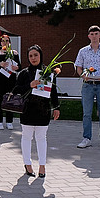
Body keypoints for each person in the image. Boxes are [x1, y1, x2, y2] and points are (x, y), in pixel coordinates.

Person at [14, 45, 60, 178]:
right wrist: (30, 85)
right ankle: (27, 164)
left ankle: (42, 166)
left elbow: (54, 91)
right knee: (27, 137)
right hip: (27, 110)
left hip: (43, 110)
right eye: (30, 56)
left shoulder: (48, 72)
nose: (33, 58)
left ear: (40, 55)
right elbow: (16, 90)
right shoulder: (24, 73)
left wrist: (56, 107)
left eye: (36, 55)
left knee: (41, 138)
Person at [75, 25, 100, 149]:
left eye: (96, 34)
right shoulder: (82, 51)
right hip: (88, 85)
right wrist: (83, 75)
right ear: (88, 36)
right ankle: (86, 138)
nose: (94, 36)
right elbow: (78, 67)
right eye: (92, 34)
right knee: (87, 113)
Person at [0, 35, 20, 130]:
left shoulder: (14, 53)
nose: (5, 43)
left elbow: (20, 66)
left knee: (10, 100)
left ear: (9, 42)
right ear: (0, 43)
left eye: (7, 41)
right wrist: (0, 64)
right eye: (3, 41)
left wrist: (17, 67)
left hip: (11, 80)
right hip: (0, 81)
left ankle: (9, 121)